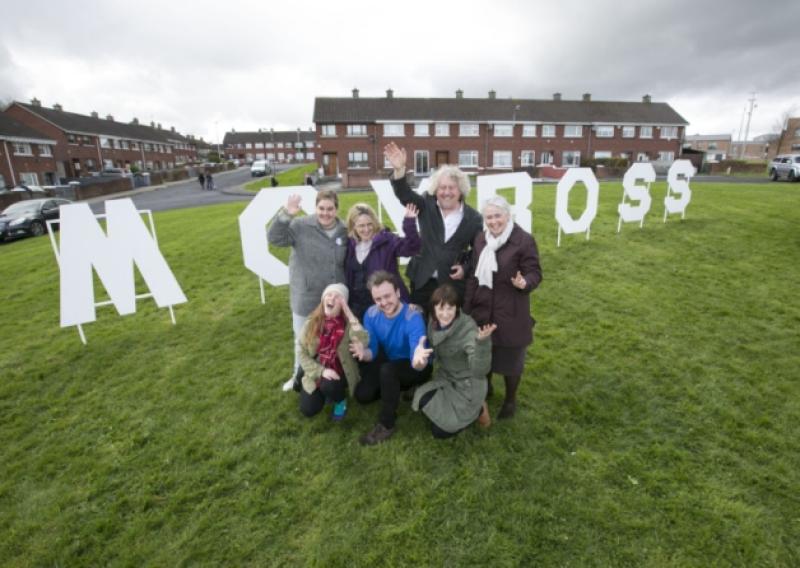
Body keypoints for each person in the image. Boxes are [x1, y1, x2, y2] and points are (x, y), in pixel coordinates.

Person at [464, 195, 542, 419]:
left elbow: (535, 272)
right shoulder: (480, 239)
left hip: (511, 308)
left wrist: (525, 282)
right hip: (483, 306)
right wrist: (467, 307)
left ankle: (510, 400)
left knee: (511, 359)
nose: (493, 221)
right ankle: (487, 388)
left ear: (508, 215)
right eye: (488, 217)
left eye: (497, 216)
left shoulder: (523, 240)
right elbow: (473, 275)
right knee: (484, 351)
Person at [384, 142, 483, 313]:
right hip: (422, 280)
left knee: (447, 326)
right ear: (436, 190)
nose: (446, 192)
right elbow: (404, 194)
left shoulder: (473, 218)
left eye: (451, 188)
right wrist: (399, 171)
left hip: (451, 283)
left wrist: (465, 268)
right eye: (442, 188)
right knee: (420, 324)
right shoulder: (425, 204)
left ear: (461, 191)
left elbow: (478, 251)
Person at [268, 189, 348, 392]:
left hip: (333, 300)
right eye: (321, 208)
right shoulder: (301, 225)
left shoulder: (344, 230)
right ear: (316, 207)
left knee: (334, 339)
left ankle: (335, 377)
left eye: (330, 209)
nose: (326, 213)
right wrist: (287, 214)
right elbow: (275, 238)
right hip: (306, 295)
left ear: (336, 209)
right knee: (302, 341)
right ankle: (298, 376)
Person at [350, 270, 432, 446]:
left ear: (398, 292)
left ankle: (386, 424)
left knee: (388, 371)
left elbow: (416, 354)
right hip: (391, 361)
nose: (384, 303)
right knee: (363, 396)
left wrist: (419, 361)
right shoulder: (371, 314)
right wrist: (364, 354)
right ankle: (398, 389)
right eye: (378, 299)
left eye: (387, 296)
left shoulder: (412, 316)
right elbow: (372, 349)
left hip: (416, 365)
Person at [411, 284, 495, 438]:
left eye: (450, 308)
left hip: (467, 386)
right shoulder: (433, 322)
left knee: (439, 432)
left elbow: (480, 371)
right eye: (441, 308)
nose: (445, 314)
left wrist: (482, 344)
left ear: (457, 308)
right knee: (422, 399)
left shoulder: (468, 328)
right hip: (445, 377)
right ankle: (453, 408)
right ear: (434, 309)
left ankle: (480, 410)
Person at [297, 284, 368, 420]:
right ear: (323, 299)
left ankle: (340, 400)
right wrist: (321, 371)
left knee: (330, 385)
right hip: (318, 370)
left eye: (338, 297)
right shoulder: (312, 323)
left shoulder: (348, 325)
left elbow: (363, 340)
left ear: (343, 304)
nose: (332, 298)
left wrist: (348, 313)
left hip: (340, 373)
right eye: (329, 295)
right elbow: (301, 351)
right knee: (308, 409)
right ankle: (323, 392)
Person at [344, 202, 421, 320]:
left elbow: (412, 248)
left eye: (369, 224)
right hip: (358, 309)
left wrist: (409, 223)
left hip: (385, 306)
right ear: (353, 226)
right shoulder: (350, 245)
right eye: (361, 226)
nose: (366, 229)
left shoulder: (386, 240)